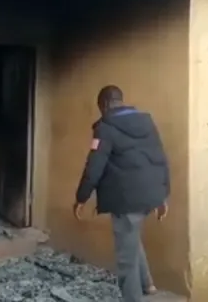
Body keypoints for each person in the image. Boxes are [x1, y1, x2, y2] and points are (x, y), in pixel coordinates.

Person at [73, 85, 170, 302]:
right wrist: (164, 196)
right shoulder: (147, 122)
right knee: (132, 235)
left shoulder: (105, 127)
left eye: (100, 107)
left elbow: (94, 166)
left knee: (126, 257)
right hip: (150, 193)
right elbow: (161, 158)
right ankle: (148, 284)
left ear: (105, 104)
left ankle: (132, 298)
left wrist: (81, 197)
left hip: (126, 197)